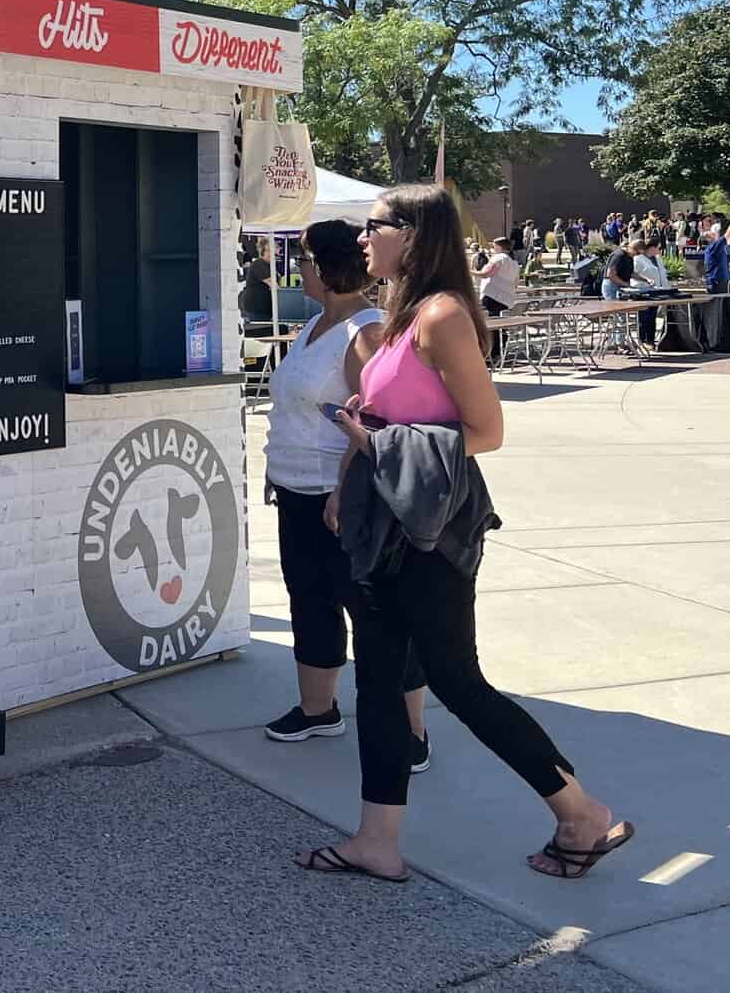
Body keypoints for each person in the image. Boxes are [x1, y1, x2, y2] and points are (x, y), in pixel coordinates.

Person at [297, 184, 633, 884]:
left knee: (456, 681)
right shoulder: (403, 313)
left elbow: (487, 431)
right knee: (380, 684)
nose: (361, 239)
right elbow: (390, 415)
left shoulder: (444, 315)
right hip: (386, 522)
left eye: (375, 226)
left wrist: (377, 444)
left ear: (413, 234)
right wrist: (349, 475)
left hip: (432, 530)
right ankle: (377, 841)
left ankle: (581, 813)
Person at [262, 221, 431, 763]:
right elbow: (296, 407)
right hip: (295, 490)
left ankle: (411, 732)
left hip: (344, 497)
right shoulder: (314, 324)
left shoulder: (366, 332)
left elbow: (377, 422)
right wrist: (275, 469)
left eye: (304, 260)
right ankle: (318, 710)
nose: (297, 269)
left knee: (375, 612)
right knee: (310, 600)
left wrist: (344, 489)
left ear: (327, 266)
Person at [472, 236, 520, 318]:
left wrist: (467, 271)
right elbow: (516, 284)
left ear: (498, 246)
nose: (493, 248)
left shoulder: (498, 258)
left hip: (492, 296)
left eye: (493, 246)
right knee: (502, 322)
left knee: (492, 322)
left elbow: (485, 274)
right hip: (507, 299)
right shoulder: (514, 263)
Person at [703, 216, 730, 295]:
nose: (717, 234)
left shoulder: (717, 248)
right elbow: (728, 235)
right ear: (708, 239)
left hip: (720, 281)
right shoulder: (713, 248)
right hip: (717, 282)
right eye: (713, 233)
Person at [239, 256, 274, 325]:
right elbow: (272, 283)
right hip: (257, 308)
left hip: (264, 308)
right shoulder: (259, 264)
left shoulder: (269, 265)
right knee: (260, 329)